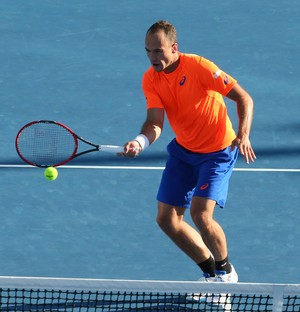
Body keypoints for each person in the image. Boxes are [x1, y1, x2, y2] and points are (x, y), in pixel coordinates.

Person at [121, 20, 256, 284]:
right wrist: (139, 142)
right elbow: (154, 124)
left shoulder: (199, 67)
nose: (153, 57)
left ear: (174, 48)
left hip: (218, 151)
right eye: (148, 51)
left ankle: (226, 273)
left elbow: (244, 98)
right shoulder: (151, 79)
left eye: (158, 51)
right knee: (167, 219)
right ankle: (210, 273)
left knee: (200, 214)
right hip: (184, 152)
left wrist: (244, 134)